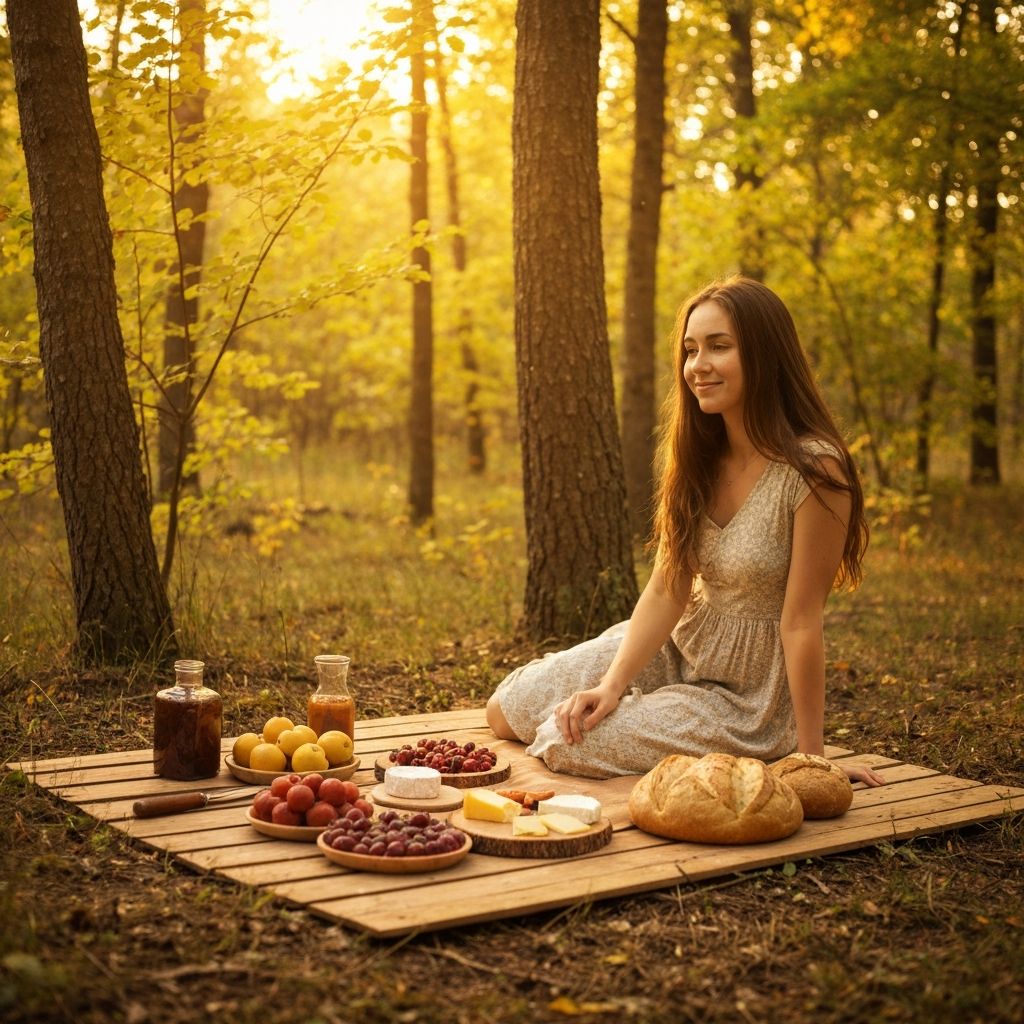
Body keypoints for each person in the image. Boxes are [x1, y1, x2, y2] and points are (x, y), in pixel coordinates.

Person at [487, 276, 886, 787]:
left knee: (563, 742)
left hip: (749, 697)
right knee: (506, 709)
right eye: (691, 349)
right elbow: (667, 586)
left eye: (719, 347)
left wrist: (812, 760)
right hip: (678, 647)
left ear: (765, 354)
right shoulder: (697, 455)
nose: (698, 365)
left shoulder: (815, 471)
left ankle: (695, 727)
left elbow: (803, 621)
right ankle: (644, 703)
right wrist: (612, 687)